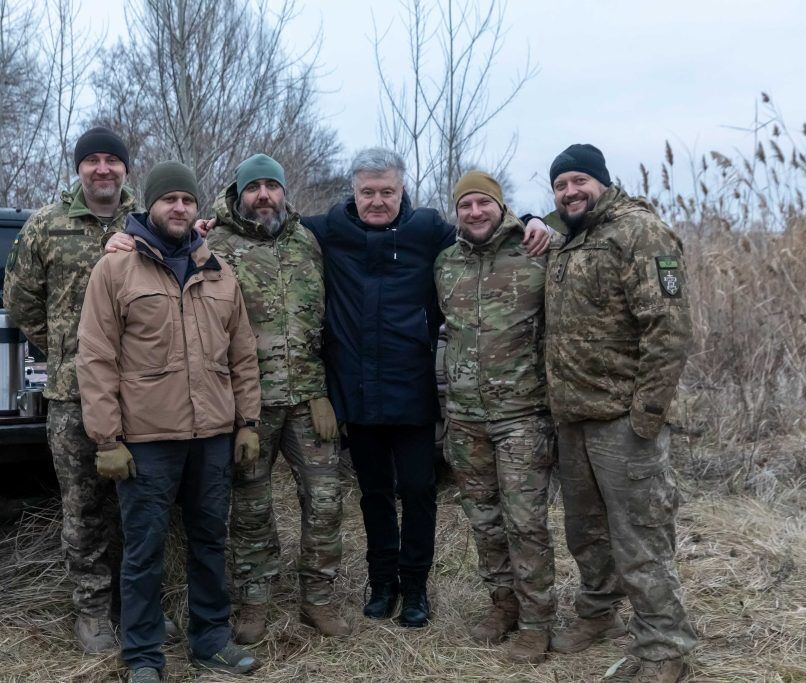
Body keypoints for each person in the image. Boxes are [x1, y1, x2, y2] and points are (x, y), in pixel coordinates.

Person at [106, 147, 551, 629]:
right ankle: (299, 596)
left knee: (371, 497)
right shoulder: (266, 238)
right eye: (367, 192)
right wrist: (133, 238)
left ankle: (366, 594)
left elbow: (480, 227)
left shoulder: (374, 234)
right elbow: (177, 243)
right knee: (297, 502)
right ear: (352, 192)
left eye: (387, 192)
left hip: (366, 394)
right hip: (296, 398)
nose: (377, 201)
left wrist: (530, 219)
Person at [76, 161, 262, 682]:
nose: (179, 208)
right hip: (148, 441)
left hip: (212, 438)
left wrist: (247, 422)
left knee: (209, 542)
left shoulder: (218, 272)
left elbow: (242, 354)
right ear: (149, 206)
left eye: (187, 200)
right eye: (169, 200)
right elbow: (95, 357)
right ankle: (142, 656)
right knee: (144, 550)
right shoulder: (115, 270)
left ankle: (211, 642)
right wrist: (106, 438)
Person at [4, 127, 177, 652]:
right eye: (92, 161)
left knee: (142, 510)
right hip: (73, 396)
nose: (103, 169)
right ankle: (93, 615)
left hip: (142, 395)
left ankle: (139, 610)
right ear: (79, 169)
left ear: (126, 168)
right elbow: (20, 302)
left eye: (112, 161)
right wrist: (66, 347)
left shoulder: (148, 224)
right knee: (85, 510)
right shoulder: (47, 226)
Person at [543, 144, 697, 682]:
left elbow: (669, 329)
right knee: (586, 534)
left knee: (640, 539)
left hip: (622, 423)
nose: (569, 192)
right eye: (560, 185)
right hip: (574, 419)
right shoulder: (571, 238)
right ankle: (598, 613)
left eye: (579, 181)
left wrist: (645, 417)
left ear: (603, 182)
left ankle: (664, 648)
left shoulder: (639, 233)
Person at [203, 154, 348, 642]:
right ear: (238, 193)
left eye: (272, 186)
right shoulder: (213, 246)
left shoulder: (308, 242)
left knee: (326, 503)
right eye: (253, 187)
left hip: (310, 402)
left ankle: (319, 599)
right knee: (250, 509)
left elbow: (327, 323)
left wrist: (324, 389)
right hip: (248, 405)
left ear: (285, 192)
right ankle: (254, 602)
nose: (263, 195)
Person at [434, 171, 556, 663]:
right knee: (484, 521)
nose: (475, 212)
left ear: (500, 207)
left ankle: (537, 622)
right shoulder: (445, 263)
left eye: (483, 203)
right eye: (465, 205)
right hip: (465, 418)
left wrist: (541, 221)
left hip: (522, 415)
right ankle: (502, 605)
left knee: (526, 523)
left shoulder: (536, 252)